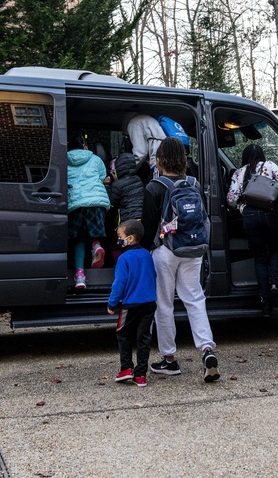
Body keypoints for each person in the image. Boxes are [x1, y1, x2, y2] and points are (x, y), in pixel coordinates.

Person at [143, 136, 220, 383]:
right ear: (183, 160)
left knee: (164, 303)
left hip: (165, 251)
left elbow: (147, 227)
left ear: (159, 161)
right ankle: (207, 349)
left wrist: (144, 251)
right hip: (192, 247)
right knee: (195, 299)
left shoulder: (154, 187)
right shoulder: (194, 184)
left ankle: (169, 360)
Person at [226, 143, 278, 315]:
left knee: (259, 258)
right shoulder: (269, 166)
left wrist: (242, 200)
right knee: (277, 247)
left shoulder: (239, 173)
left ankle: (265, 304)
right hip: (271, 214)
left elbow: (231, 199)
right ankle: (275, 281)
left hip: (250, 218)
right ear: (261, 155)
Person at [107, 219, 158, 388]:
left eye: (120, 236)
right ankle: (141, 374)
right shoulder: (147, 255)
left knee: (123, 334)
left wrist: (112, 303)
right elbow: (153, 276)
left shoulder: (124, 258)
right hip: (149, 302)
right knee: (144, 338)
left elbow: (119, 283)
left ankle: (126, 368)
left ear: (129, 239)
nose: (118, 240)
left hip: (130, 304)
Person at [67, 135, 110, 289]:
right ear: (84, 144)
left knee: (79, 238)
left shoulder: (63, 161)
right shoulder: (96, 159)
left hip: (76, 204)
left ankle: (79, 276)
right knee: (95, 231)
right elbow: (102, 178)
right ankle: (97, 246)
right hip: (96, 202)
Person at [106, 152, 144, 227]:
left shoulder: (118, 185)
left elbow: (111, 203)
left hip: (127, 221)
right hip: (140, 218)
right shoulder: (138, 180)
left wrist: (107, 185)